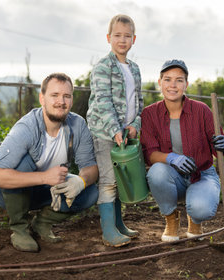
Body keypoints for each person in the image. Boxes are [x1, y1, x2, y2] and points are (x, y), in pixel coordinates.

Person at [0, 73, 99, 252]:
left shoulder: (78, 125)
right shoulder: (27, 127)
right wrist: (44, 177)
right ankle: (19, 229)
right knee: (24, 162)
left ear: (72, 100)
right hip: (11, 193)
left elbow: (91, 168)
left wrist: (80, 182)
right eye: (54, 95)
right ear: (42, 98)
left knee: (91, 192)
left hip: (47, 190)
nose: (61, 101)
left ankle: (42, 223)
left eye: (67, 96)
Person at [140, 60, 224, 242]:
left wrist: (223, 143)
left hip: (202, 175)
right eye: (168, 79)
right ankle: (171, 219)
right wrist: (171, 158)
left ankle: (195, 219)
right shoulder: (149, 114)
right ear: (160, 82)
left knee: (201, 208)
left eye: (179, 80)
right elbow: (150, 153)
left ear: (186, 85)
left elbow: (218, 148)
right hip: (173, 177)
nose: (173, 85)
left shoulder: (202, 110)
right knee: (156, 171)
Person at [86, 14, 143, 247]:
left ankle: (119, 225)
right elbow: (103, 101)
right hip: (105, 134)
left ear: (134, 39)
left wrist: (135, 125)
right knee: (108, 181)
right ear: (109, 38)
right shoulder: (102, 67)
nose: (122, 40)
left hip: (125, 134)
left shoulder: (135, 69)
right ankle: (108, 232)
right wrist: (113, 130)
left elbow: (139, 101)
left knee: (120, 181)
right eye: (117, 35)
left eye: (127, 36)